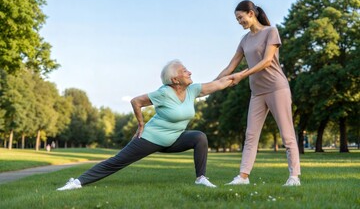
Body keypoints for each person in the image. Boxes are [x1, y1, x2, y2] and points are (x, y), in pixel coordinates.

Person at [57, 59, 233, 191]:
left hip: (173, 140)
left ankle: (201, 178)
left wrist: (251, 70)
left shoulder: (192, 90)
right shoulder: (164, 93)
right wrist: (141, 125)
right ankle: (76, 182)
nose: (190, 72)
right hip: (151, 138)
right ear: (175, 79)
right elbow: (136, 101)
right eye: (185, 71)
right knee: (117, 161)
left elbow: (219, 83)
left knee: (199, 137)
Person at [216, 0, 301, 186]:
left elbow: (267, 61)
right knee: (251, 135)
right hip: (257, 93)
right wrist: (210, 85)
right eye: (237, 19)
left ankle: (294, 177)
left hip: (276, 87)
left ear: (251, 13)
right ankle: (243, 177)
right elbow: (231, 66)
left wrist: (242, 75)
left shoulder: (271, 32)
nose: (239, 22)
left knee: (287, 135)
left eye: (240, 17)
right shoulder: (244, 40)